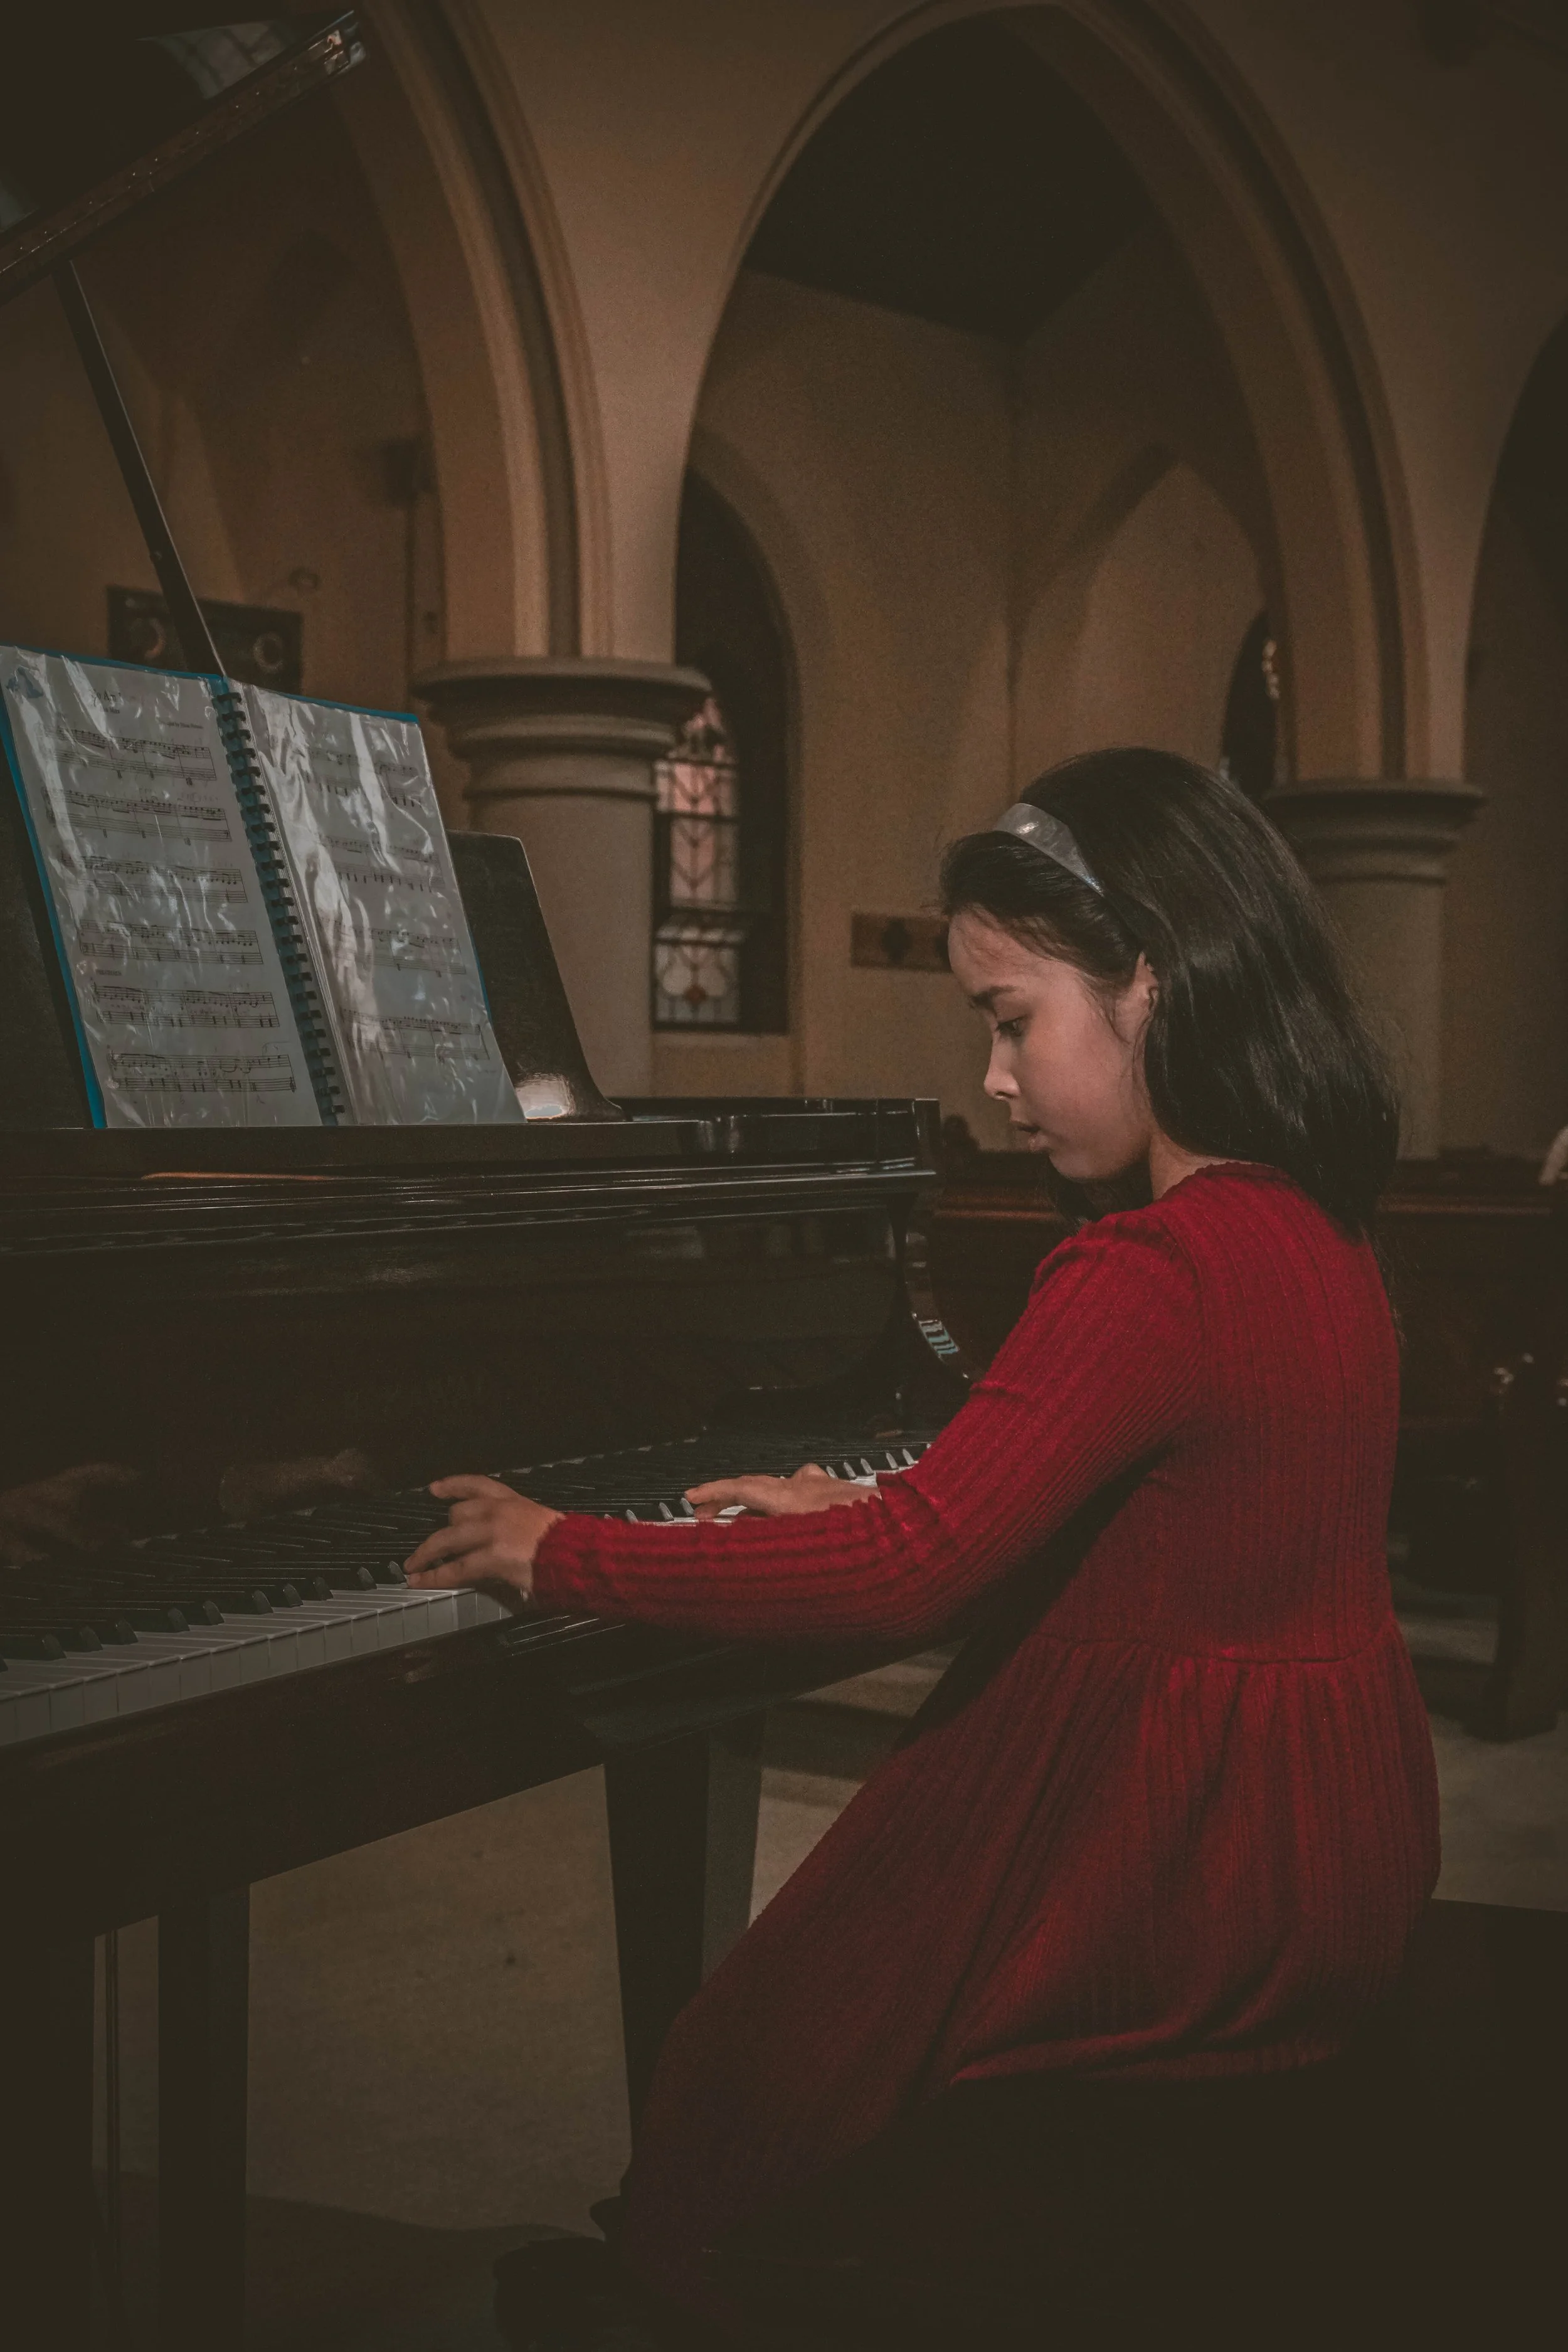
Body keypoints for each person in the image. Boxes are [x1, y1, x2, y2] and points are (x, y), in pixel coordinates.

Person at [407, 748, 1441, 2346]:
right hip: (1324, 1840)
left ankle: (698, 2301)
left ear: (1152, 983)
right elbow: (1160, 1531)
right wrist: (872, 1506)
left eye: (1010, 1018)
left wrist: (564, 1550)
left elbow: (909, 1579)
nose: (995, 1086)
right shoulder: (1313, 1225)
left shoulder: (1148, 1269)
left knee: (747, 2058)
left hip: (1173, 1858)